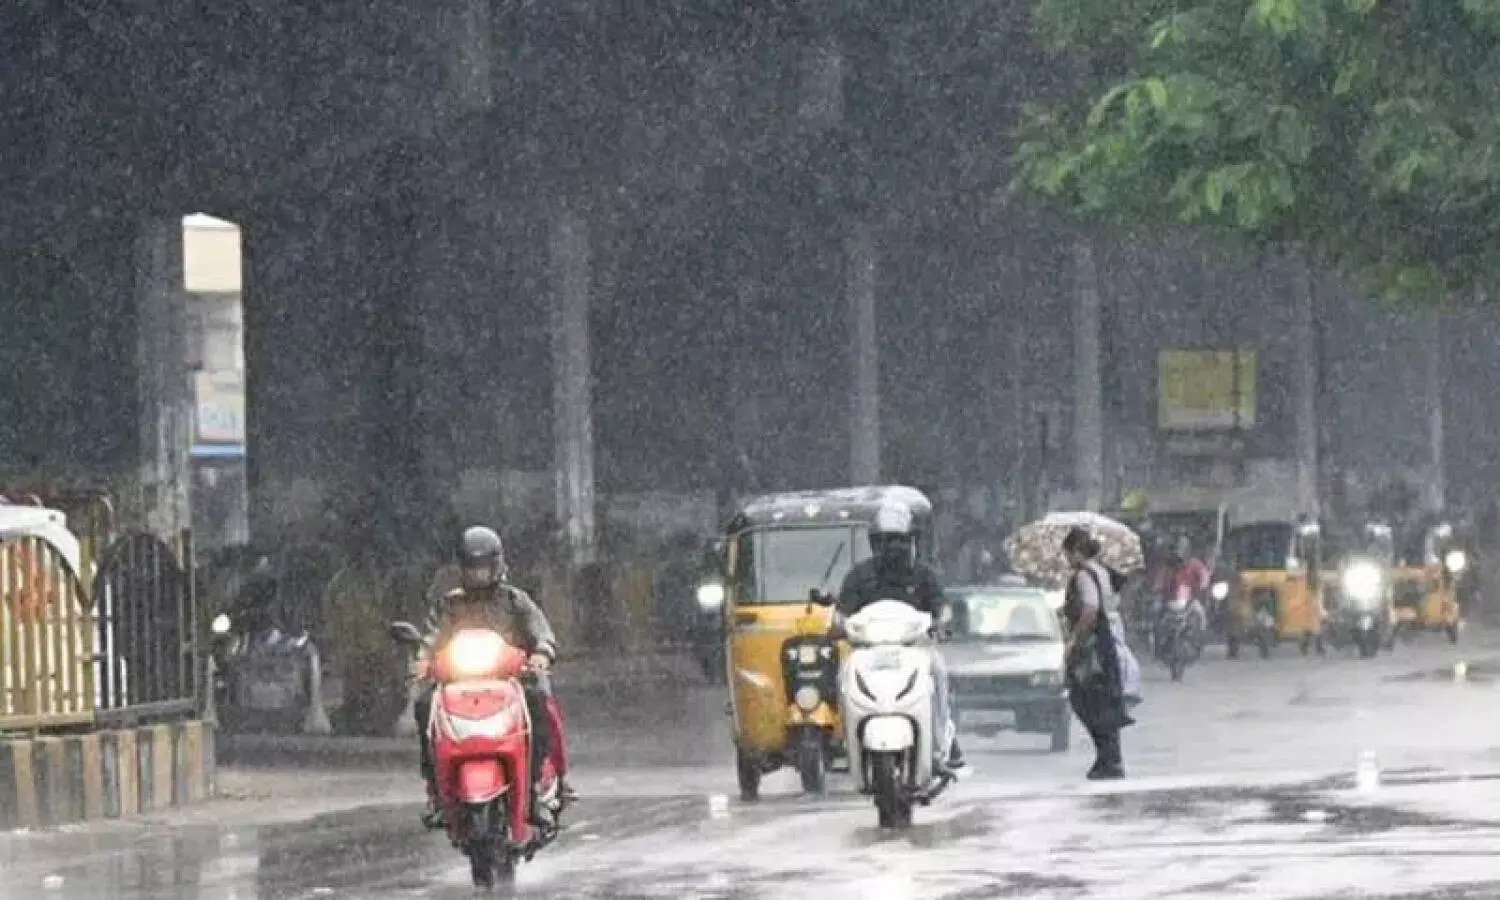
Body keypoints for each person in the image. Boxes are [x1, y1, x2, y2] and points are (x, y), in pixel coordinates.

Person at [410, 526, 576, 827]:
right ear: (462, 568)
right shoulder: (450, 605)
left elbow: (540, 629)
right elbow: (432, 637)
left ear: (497, 565)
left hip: (510, 680)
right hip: (460, 683)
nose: (479, 575)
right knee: (423, 705)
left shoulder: (515, 601)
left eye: (484, 567)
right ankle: (436, 790)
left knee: (539, 699)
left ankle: (537, 784)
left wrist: (541, 652)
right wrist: (423, 660)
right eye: (473, 568)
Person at [834, 502, 966, 775]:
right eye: (886, 541)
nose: (893, 548)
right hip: (868, 652)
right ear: (874, 544)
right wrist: (837, 626)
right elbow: (842, 612)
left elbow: (941, 605)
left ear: (912, 542)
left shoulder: (923, 574)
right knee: (841, 677)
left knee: (939, 673)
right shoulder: (859, 576)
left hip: (915, 649)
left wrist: (941, 622)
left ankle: (942, 742)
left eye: (900, 541)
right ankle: (845, 742)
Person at [1061, 526, 1136, 780]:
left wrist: (1074, 640)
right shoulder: (1103, 571)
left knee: (1085, 699)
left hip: (1092, 645)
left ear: (1077, 551)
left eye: (1068, 554)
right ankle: (1109, 758)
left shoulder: (1083, 575)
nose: (1067, 560)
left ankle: (1109, 757)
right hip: (1107, 641)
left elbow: (1091, 610)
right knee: (1105, 699)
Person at [1155, 535, 1210, 639]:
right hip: (1169, 599)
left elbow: (1204, 575)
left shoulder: (1195, 564)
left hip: (1189, 599)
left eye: (1182, 550)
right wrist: (1158, 588)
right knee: (1156, 611)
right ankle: (1156, 638)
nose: (1179, 555)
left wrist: (1203, 585)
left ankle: (1200, 637)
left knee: (1201, 613)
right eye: (1177, 550)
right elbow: (1160, 578)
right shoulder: (1168, 566)